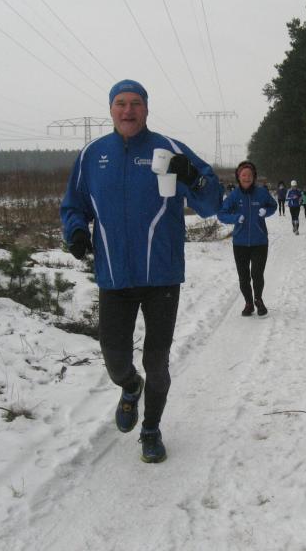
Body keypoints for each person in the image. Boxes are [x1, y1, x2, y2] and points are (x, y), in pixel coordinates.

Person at [60, 79, 222, 464]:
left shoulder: (169, 149)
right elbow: (73, 205)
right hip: (114, 275)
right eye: (121, 103)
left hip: (161, 276)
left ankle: (151, 430)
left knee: (157, 362)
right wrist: (76, 231)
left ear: (146, 109)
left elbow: (211, 202)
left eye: (135, 103)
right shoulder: (93, 155)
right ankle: (130, 387)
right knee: (115, 359)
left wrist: (192, 176)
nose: (128, 110)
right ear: (111, 109)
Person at [217, 161, 278, 317]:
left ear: (254, 177)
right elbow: (221, 214)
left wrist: (266, 211)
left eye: (249, 175)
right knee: (244, 277)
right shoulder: (234, 195)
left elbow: (273, 205)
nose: (247, 178)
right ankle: (248, 303)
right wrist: (235, 218)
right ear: (238, 177)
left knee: (257, 274)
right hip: (240, 243)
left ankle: (258, 300)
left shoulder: (262, 193)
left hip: (260, 241)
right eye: (243, 175)